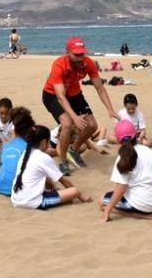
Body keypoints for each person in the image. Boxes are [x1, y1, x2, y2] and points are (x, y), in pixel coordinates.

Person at [41, 37, 120, 175]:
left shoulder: (88, 63)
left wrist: (110, 109)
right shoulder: (59, 65)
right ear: (68, 52)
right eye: (76, 54)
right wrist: (74, 117)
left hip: (75, 94)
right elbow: (60, 96)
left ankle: (74, 150)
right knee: (67, 123)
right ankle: (64, 161)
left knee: (92, 125)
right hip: (52, 95)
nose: (79, 58)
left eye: (81, 54)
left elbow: (100, 88)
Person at [101, 120, 152, 221]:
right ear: (136, 135)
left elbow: (121, 188)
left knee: (101, 201)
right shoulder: (148, 151)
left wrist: (107, 211)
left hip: (141, 204)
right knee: (140, 190)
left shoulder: (123, 157)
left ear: (118, 140)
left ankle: (140, 215)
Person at [11, 125, 92, 209]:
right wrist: (81, 195)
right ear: (43, 142)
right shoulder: (43, 157)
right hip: (32, 202)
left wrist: (52, 187)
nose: (49, 144)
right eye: (48, 141)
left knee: (61, 193)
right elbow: (64, 181)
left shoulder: (25, 154)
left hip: (16, 199)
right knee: (74, 191)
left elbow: (42, 175)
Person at [0, 107, 35, 197]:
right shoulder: (30, 148)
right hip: (14, 188)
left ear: (14, 130)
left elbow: (2, 168)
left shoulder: (5, 146)